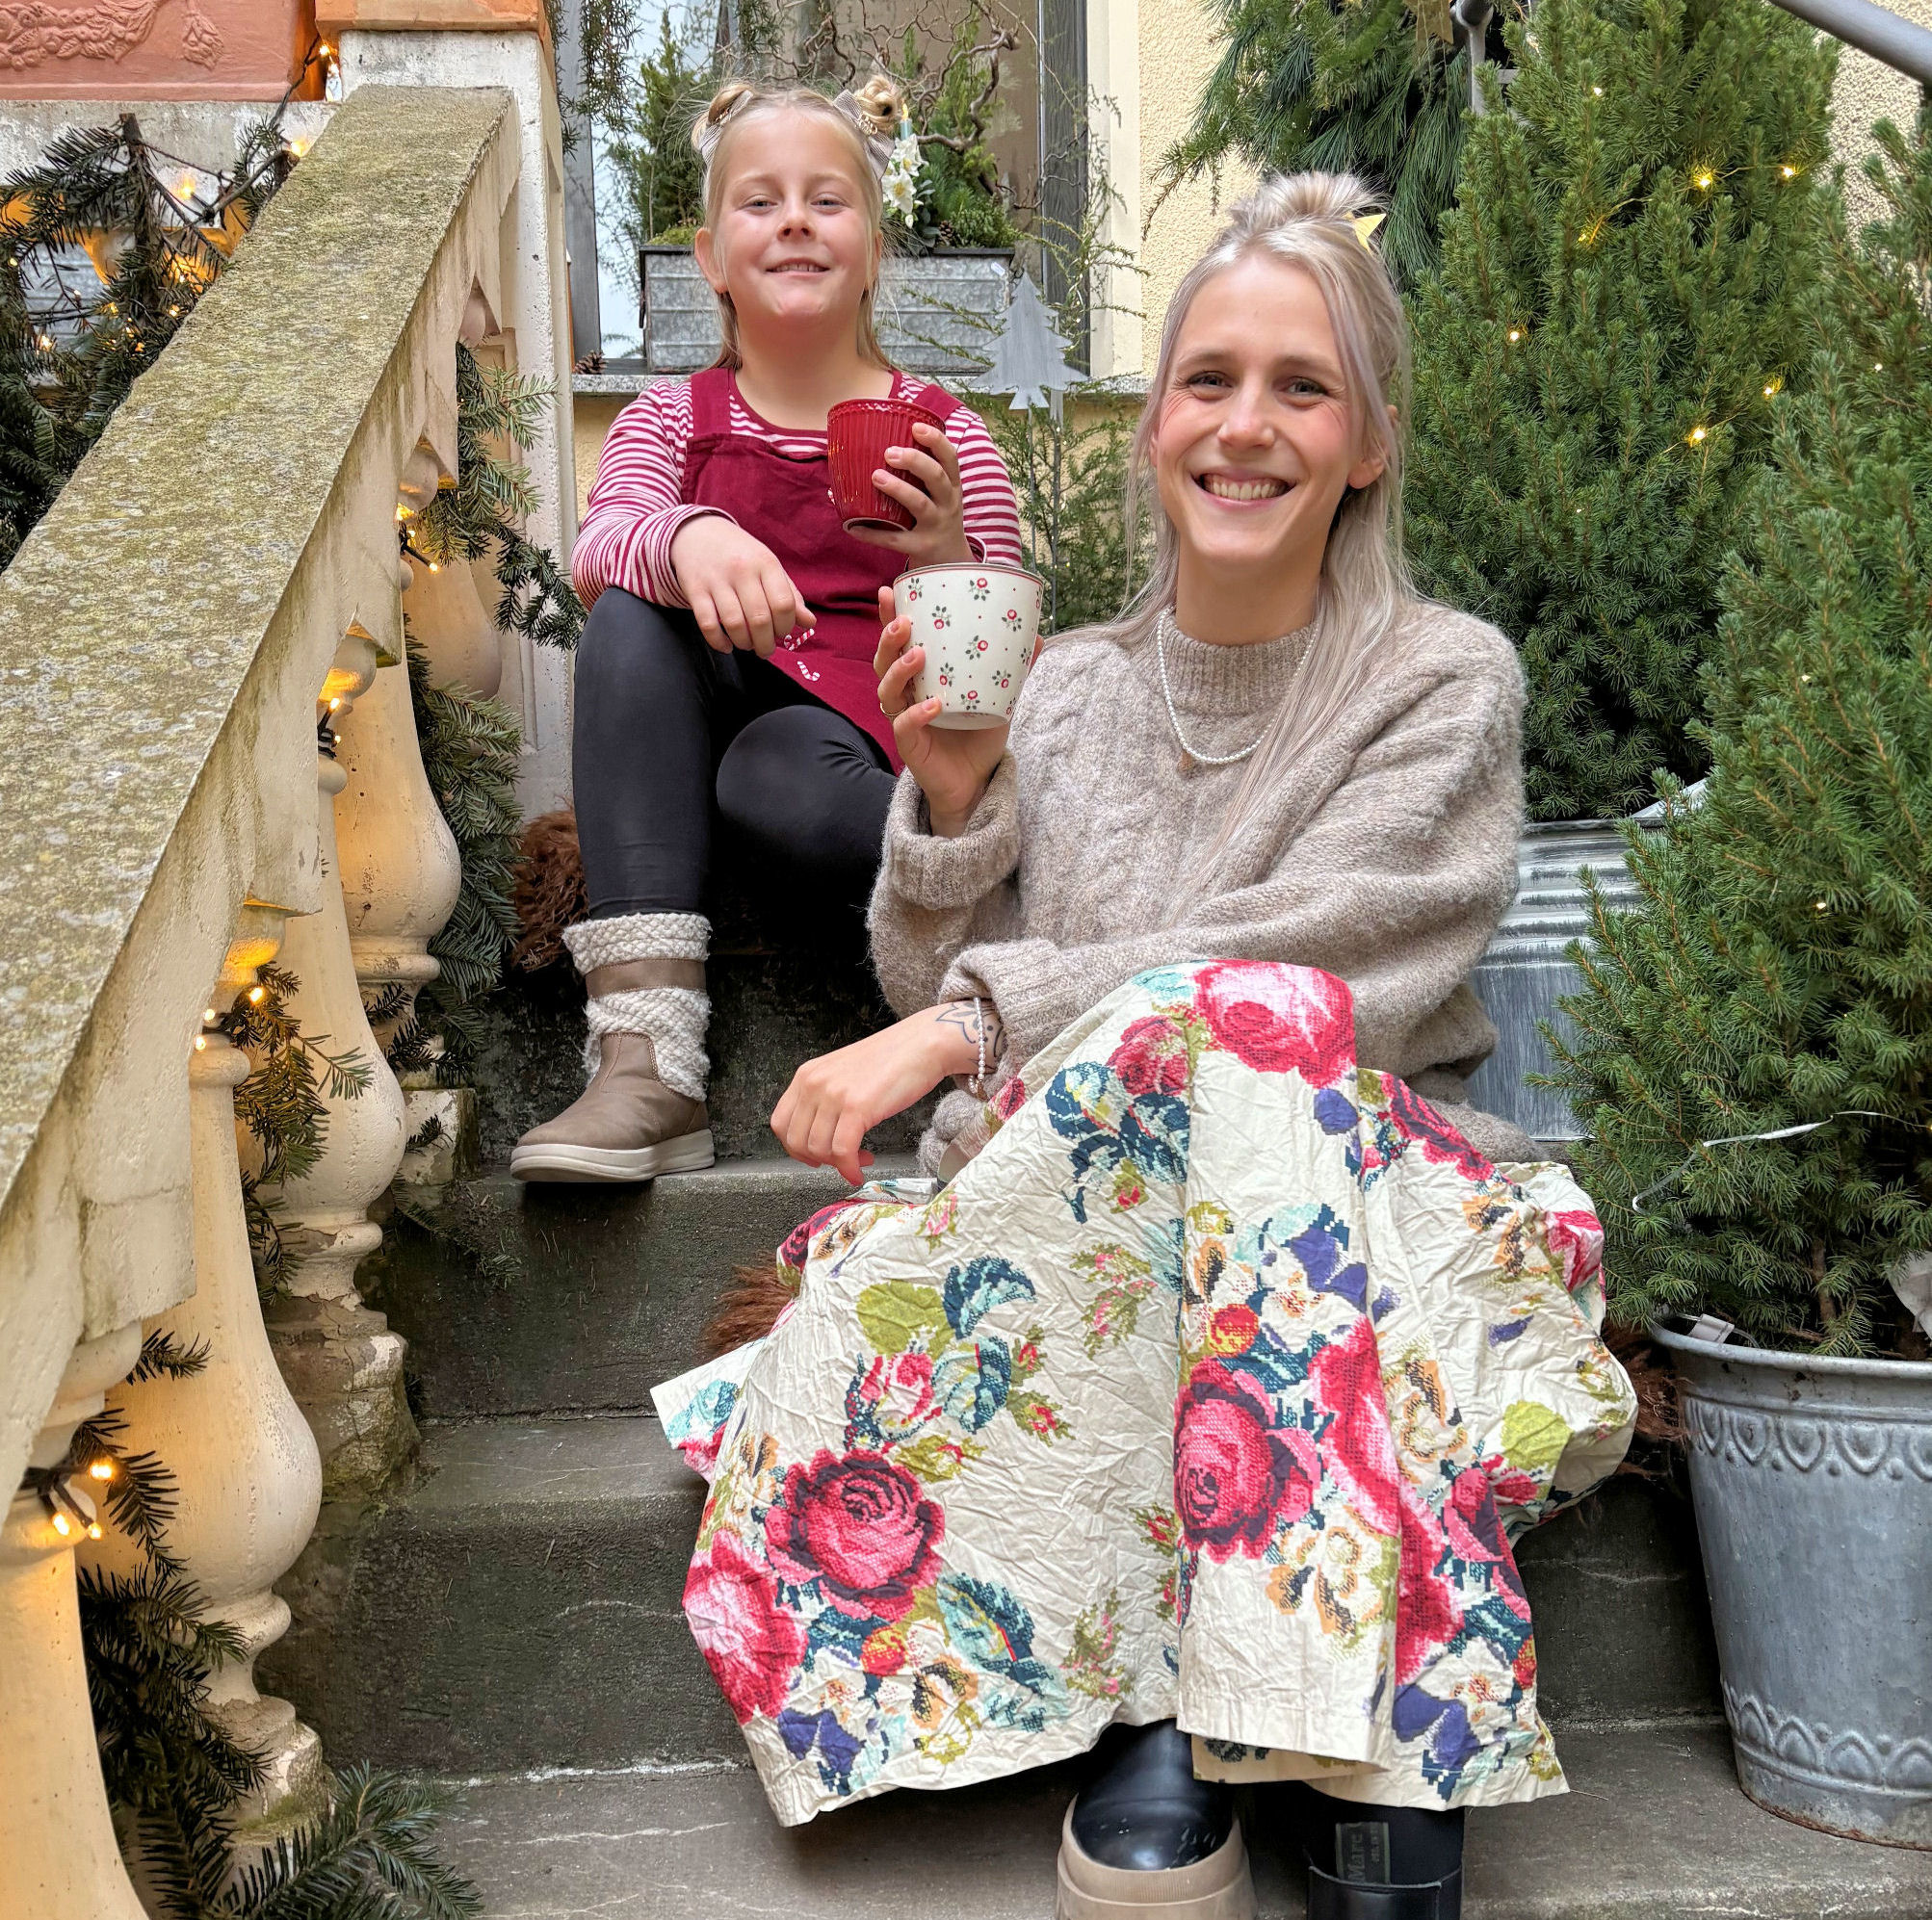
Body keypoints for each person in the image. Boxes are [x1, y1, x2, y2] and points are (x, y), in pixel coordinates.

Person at [651, 174, 1636, 1919]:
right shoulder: (1060, 683)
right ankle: (1279, 1727)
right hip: (1086, 1231)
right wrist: (952, 795)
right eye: (1207, 380)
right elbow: (939, 966)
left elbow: (1329, 961)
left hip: (1353, 1211)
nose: (1243, 425)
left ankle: (1212, 1714)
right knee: (1116, 1184)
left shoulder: (1442, 679)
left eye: (1300, 387)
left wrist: (962, 1020)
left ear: (1367, 444)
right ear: (1154, 422)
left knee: (1255, 1037)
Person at [510, 76, 1022, 1184]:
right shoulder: (669, 419)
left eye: (827, 200)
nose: (794, 220)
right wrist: (690, 534)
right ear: (710, 256)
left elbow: (1006, 660)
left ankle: (987, 943)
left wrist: (944, 553)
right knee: (627, 618)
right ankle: (647, 1060)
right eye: (761, 201)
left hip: (863, 752)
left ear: (874, 249)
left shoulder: (948, 432)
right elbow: (602, 542)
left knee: (776, 773)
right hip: (703, 727)